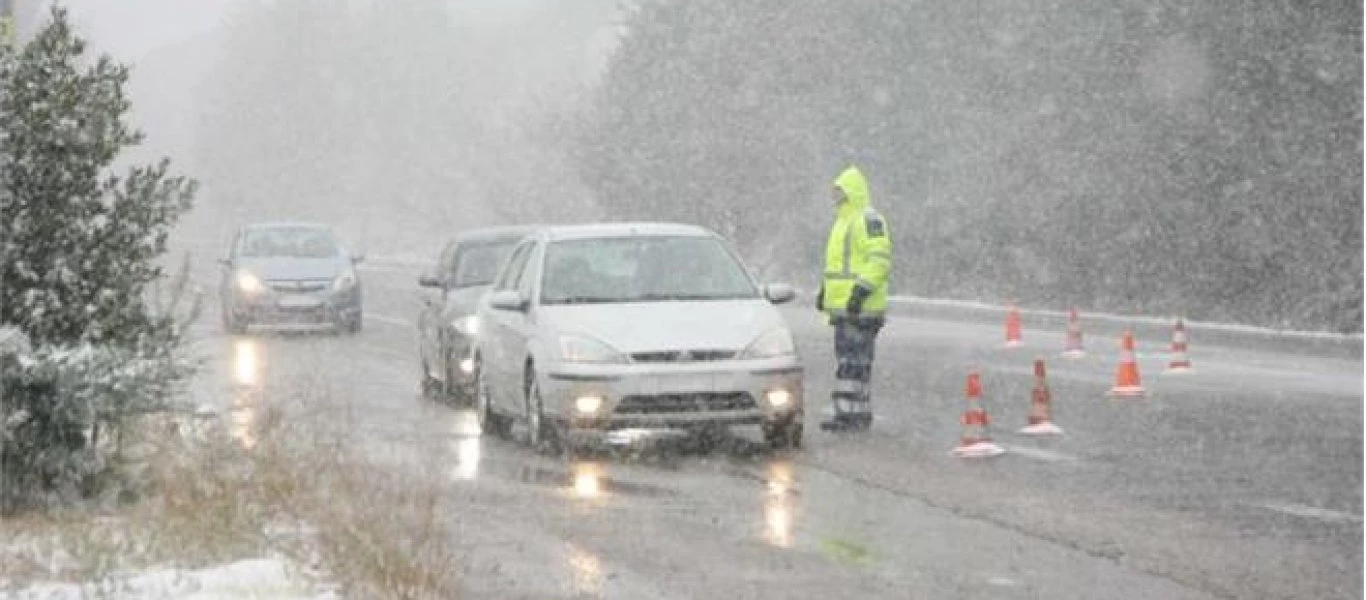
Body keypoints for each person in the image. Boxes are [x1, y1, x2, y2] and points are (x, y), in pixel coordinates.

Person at [816, 166, 892, 431]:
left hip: (862, 308)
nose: (835, 197)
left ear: (850, 191)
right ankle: (850, 413)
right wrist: (825, 292)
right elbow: (837, 267)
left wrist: (860, 291)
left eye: (839, 192)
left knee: (855, 363)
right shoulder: (842, 222)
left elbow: (879, 261)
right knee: (848, 363)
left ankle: (852, 415)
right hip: (845, 310)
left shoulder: (868, 220)